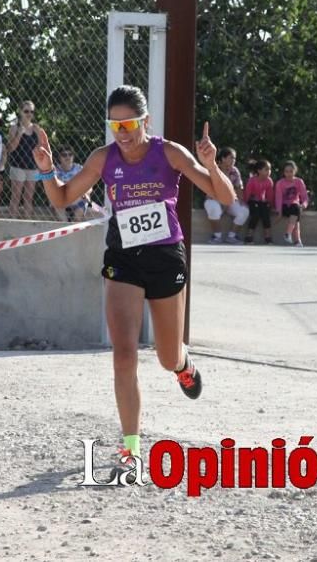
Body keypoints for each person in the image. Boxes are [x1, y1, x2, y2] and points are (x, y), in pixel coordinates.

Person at [32, 84, 235, 476]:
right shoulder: (103, 158)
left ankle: (183, 363)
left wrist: (212, 165)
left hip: (164, 256)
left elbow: (222, 197)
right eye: (115, 125)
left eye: (129, 124)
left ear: (146, 121)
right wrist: (46, 171)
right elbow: (62, 198)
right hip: (123, 257)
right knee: (123, 354)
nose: (121, 133)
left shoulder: (169, 152)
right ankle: (131, 448)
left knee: (165, 356)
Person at [204, 147, 248, 244]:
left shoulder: (235, 171)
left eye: (234, 158)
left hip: (229, 200)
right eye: (231, 158)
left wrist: (240, 202)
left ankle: (232, 236)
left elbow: (239, 187)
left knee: (244, 210)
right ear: (223, 159)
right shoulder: (214, 169)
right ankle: (216, 236)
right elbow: (209, 188)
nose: (234, 160)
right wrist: (222, 203)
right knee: (213, 207)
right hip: (214, 198)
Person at [6, 100, 40, 218]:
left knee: (29, 197)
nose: (29, 114)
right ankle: (12, 223)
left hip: (32, 167)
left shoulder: (36, 129)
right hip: (18, 166)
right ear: (20, 112)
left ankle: (28, 224)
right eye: (26, 111)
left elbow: (40, 148)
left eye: (31, 111)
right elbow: (10, 148)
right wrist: (19, 134)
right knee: (16, 196)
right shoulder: (14, 128)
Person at [274, 160, 309, 246]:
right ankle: (297, 240)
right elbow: (278, 198)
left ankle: (289, 234)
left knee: (296, 209)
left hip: (295, 206)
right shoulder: (280, 183)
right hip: (284, 206)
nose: (289, 174)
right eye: (286, 171)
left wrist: (304, 205)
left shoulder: (299, 181)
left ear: (295, 171)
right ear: (283, 172)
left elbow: (305, 197)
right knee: (296, 214)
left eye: (291, 171)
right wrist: (279, 212)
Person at [242, 159, 274, 244]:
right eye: (266, 169)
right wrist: (244, 203)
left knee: (265, 214)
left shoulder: (269, 181)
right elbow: (247, 193)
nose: (269, 171)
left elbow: (270, 194)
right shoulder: (252, 180)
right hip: (252, 201)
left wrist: (270, 204)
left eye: (269, 169)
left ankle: (268, 236)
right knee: (255, 214)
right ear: (259, 171)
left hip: (262, 201)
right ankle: (249, 236)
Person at [53, 148, 90, 222]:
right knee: (62, 220)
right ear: (59, 157)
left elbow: (89, 184)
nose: (68, 157)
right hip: (61, 199)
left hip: (78, 198)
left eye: (70, 154)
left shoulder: (79, 169)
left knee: (77, 218)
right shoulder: (55, 170)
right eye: (64, 155)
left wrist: (87, 193)